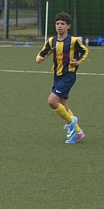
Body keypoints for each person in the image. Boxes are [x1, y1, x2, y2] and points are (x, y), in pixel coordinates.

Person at [36, 12, 89, 143]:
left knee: (52, 101)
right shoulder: (52, 41)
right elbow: (44, 52)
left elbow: (85, 51)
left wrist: (77, 61)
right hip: (57, 75)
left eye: (62, 24)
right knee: (63, 106)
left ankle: (71, 121)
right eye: (57, 23)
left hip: (68, 75)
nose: (59, 26)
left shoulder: (73, 41)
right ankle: (78, 132)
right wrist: (40, 58)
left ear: (68, 26)